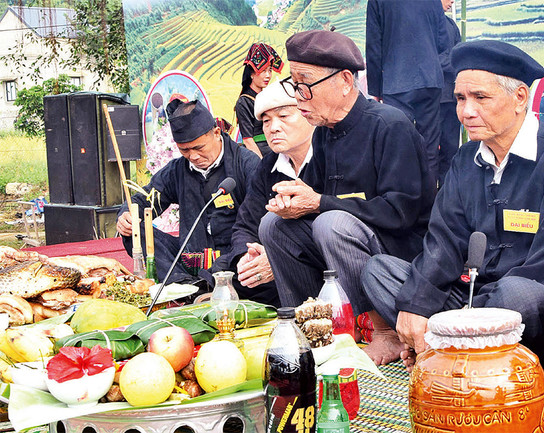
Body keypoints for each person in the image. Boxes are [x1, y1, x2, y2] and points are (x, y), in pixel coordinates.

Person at [361, 40, 544, 370]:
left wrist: (466, 316)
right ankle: (456, 345)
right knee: (379, 271)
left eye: (480, 97)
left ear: (519, 97)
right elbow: (443, 243)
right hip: (475, 303)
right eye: (460, 98)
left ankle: (447, 346)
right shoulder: (466, 159)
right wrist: (417, 306)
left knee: (515, 293)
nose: (466, 111)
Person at [260, 30, 435, 364]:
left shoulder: (390, 125)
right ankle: (310, 328)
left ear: (343, 81)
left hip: (398, 253)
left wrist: (319, 203)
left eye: (305, 84)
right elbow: (316, 196)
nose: (298, 97)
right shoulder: (325, 134)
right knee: (273, 226)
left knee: (332, 224)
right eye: (294, 85)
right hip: (345, 243)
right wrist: (291, 202)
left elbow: (400, 212)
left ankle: (384, 333)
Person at [117, 100, 259, 287]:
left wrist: (233, 258)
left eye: (199, 148)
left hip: (233, 259)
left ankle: (200, 285)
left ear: (217, 133)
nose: (193, 156)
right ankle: (184, 285)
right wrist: (126, 215)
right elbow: (144, 198)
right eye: (184, 150)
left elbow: (256, 222)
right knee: (135, 231)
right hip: (190, 259)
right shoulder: (177, 170)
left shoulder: (246, 163)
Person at [209, 82, 314, 305]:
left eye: (283, 116)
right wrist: (246, 257)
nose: (273, 128)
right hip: (273, 259)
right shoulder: (268, 166)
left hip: (315, 258)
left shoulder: (328, 156)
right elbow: (246, 225)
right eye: (266, 121)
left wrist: (277, 259)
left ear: (308, 115)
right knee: (228, 269)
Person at [366, 0, 449, 180]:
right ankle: (429, 196)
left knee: (399, 146)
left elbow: (374, 44)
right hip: (430, 79)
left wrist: (376, 88)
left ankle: (403, 194)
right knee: (430, 147)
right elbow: (443, 41)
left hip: (396, 81)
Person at [235, 42, 283, 158]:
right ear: (252, 74)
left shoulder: (268, 97)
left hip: (276, 149)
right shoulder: (244, 102)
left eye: (270, 70)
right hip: (259, 152)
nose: (268, 75)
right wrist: (261, 163)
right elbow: (248, 140)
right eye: (263, 71)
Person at [437, 0, 463, 186]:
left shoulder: (451, 25)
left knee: (451, 149)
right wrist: (456, 65)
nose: (452, 1)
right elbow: (431, 57)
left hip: (451, 97)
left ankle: (446, 193)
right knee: (429, 150)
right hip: (431, 98)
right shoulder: (425, 24)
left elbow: (458, 54)